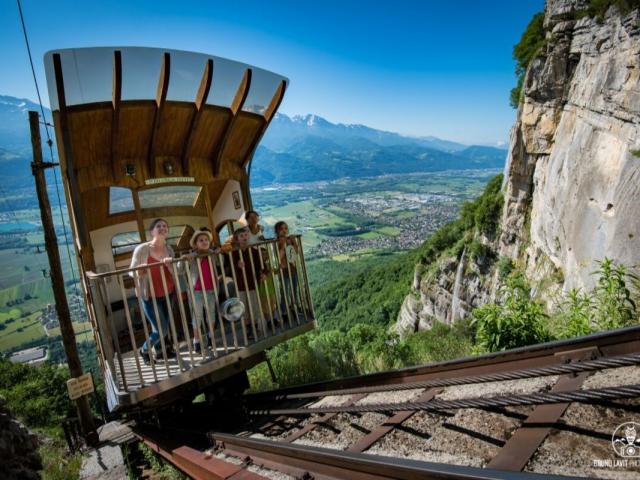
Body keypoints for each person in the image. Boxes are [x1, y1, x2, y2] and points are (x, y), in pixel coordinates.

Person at [130, 218, 177, 364]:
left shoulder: (169, 250)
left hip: (168, 293)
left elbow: (175, 271)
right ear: (152, 231)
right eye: (159, 226)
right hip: (150, 296)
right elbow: (131, 271)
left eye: (165, 225)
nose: (163, 228)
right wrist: (139, 272)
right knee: (161, 329)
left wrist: (170, 266)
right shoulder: (142, 249)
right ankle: (144, 349)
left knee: (164, 326)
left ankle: (163, 351)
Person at [230, 225, 269, 339]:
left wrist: (264, 273)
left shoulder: (254, 251)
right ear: (237, 239)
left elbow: (261, 265)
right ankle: (248, 329)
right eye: (241, 236)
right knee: (244, 308)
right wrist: (237, 265)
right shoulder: (234, 253)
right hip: (241, 286)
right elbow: (230, 268)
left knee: (254, 306)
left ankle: (255, 327)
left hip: (252, 284)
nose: (244, 237)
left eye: (246, 235)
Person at [187, 228, 220, 354]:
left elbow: (220, 263)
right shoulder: (193, 256)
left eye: (206, 240)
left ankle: (211, 337)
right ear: (196, 244)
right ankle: (196, 340)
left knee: (211, 314)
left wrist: (218, 253)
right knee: (197, 316)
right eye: (201, 240)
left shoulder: (212, 254)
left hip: (211, 289)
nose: (204, 242)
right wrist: (186, 258)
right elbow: (180, 269)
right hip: (197, 291)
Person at [245, 211, 277, 325]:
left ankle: (273, 317)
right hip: (253, 261)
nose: (254, 219)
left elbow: (263, 241)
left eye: (255, 217)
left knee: (270, 290)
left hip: (264, 259)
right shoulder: (245, 231)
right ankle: (267, 319)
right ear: (247, 219)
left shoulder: (261, 228)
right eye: (251, 217)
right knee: (261, 291)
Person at [275, 221, 300, 318]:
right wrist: (283, 245)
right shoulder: (276, 242)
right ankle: (284, 312)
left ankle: (294, 308)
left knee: (294, 290)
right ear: (277, 231)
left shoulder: (289, 240)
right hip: (284, 270)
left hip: (293, 268)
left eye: (285, 228)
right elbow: (279, 257)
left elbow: (295, 252)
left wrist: (294, 242)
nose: (284, 231)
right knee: (284, 291)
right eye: (281, 229)